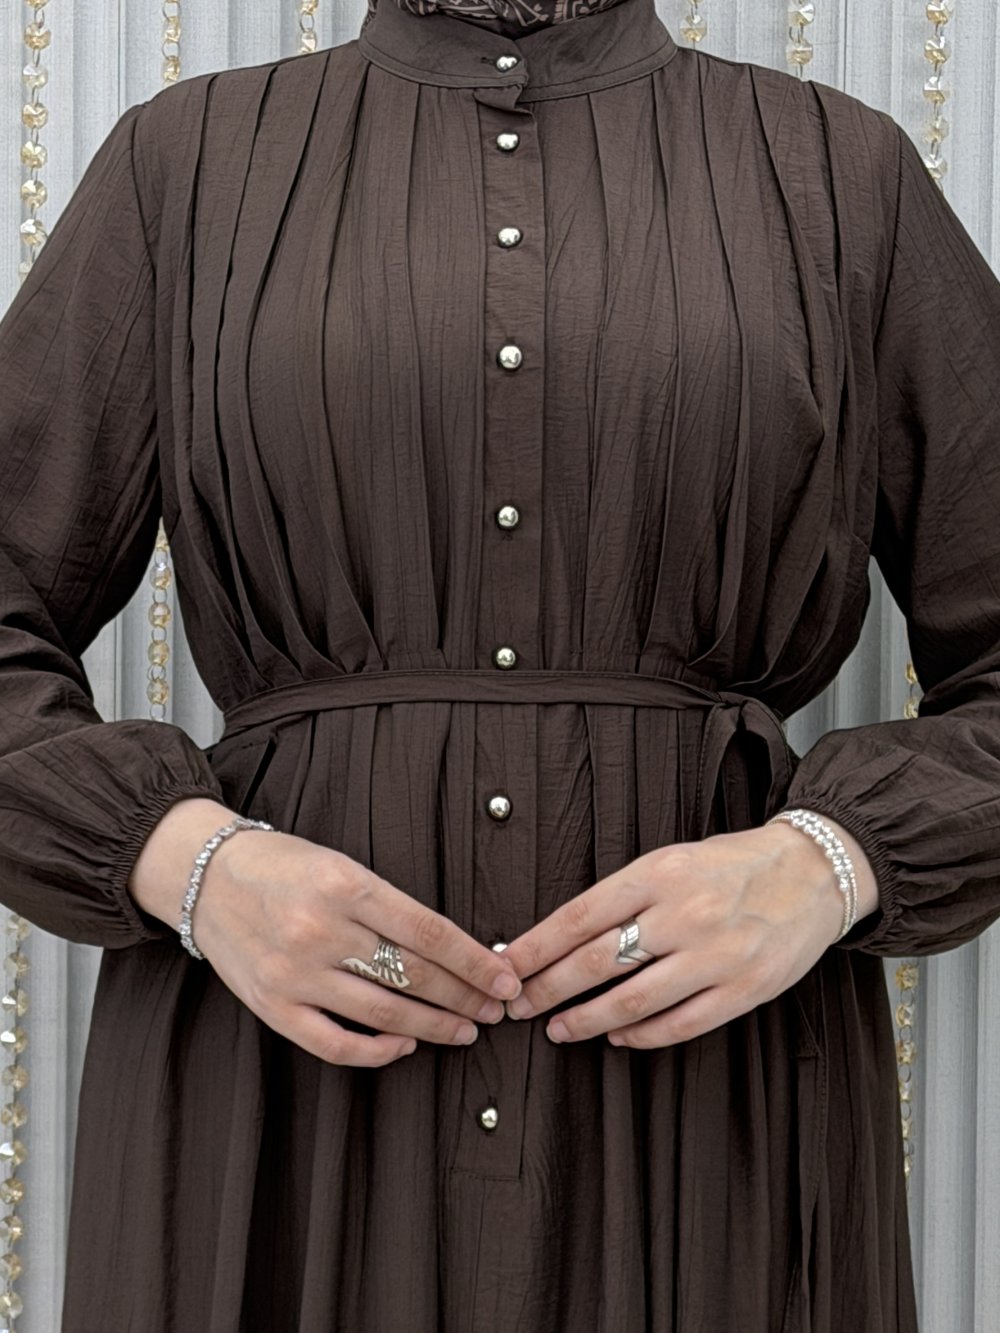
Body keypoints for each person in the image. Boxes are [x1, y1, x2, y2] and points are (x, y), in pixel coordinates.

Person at [0, 0, 998, 1326]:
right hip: (270, 1107)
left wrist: (831, 864)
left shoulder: (838, 175)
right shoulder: (183, 166)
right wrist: (185, 864)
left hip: (719, 1114)